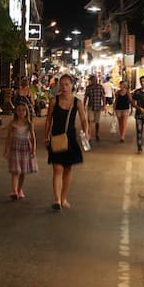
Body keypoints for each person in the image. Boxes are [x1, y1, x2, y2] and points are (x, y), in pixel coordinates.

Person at [44, 74, 88, 211]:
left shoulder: (77, 102)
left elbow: (84, 119)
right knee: (57, 168)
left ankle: (63, 198)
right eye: (62, 84)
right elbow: (49, 119)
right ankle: (57, 200)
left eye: (67, 84)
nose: (64, 87)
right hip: (56, 138)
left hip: (70, 139)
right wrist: (46, 136)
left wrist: (86, 132)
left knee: (67, 170)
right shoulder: (54, 101)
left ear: (72, 85)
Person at [4, 103, 38, 200]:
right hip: (15, 147)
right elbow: (8, 137)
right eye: (19, 110)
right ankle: (14, 191)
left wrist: (33, 150)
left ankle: (19, 189)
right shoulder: (12, 123)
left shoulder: (29, 124)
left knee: (23, 170)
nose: (21, 112)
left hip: (25, 147)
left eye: (23, 110)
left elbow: (33, 137)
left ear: (27, 112)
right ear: (16, 111)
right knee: (15, 170)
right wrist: (6, 150)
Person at [84, 75, 105, 141]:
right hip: (90, 106)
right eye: (93, 80)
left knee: (97, 122)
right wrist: (83, 105)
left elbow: (103, 97)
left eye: (95, 79)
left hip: (98, 106)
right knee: (90, 121)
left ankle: (97, 134)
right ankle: (89, 135)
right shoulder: (88, 88)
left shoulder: (100, 87)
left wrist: (104, 105)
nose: (94, 81)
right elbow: (86, 97)